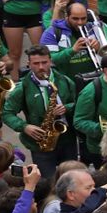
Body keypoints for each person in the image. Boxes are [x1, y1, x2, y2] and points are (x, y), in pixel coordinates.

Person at [5, 45, 77, 173]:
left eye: (44, 62)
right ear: (29, 64)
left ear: (50, 61)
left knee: (71, 176)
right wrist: (24, 127)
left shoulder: (65, 81)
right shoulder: (22, 88)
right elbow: (6, 113)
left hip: (67, 139)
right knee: (46, 181)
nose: (41, 67)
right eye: (36, 63)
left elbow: (79, 105)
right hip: (40, 142)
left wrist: (67, 108)